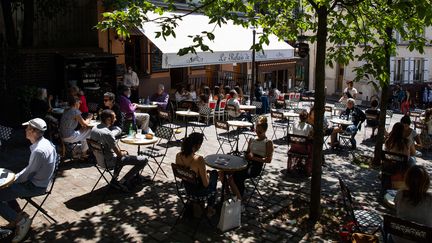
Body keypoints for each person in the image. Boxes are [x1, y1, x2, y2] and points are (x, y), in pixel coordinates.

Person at [0, 118, 57, 242]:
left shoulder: (38, 150)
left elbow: (27, 174)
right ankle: (17, 216)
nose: (25, 130)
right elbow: (29, 170)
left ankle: (21, 221)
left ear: (32, 131)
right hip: (39, 181)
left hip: (35, 186)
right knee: (5, 188)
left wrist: (11, 179)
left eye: (27, 128)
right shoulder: (44, 143)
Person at [90, 109, 148, 191]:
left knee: (121, 158)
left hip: (99, 160)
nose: (116, 119)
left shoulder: (94, 128)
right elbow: (119, 155)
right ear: (108, 119)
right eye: (114, 117)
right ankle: (124, 181)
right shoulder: (107, 133)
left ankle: (114, 180)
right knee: (144, 160)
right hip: (109, 162)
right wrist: (124, 152)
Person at [175, 133, 218, 216]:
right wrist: (207, 176)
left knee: (211, 174)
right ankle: (210, 208)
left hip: (187, 189)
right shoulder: (199, 159)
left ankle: (203, 207)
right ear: (198, 145)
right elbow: (206, 184)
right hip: (198, 192)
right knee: (214, 174)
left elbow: (183, 173)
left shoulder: (178, 156)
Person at [231, 116, 273, 200]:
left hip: (256, 167)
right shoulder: (252, 139)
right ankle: (236, 194)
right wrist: (247, 155)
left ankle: (239, 198)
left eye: (260, 132)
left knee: (237, 176)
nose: (257, 133)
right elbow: (248, 152)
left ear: (265, 131)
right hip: (247, 162)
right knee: (228, 172)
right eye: (256, 131)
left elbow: (268, 160)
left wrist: (253, 158)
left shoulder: (268, 142)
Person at [392, 165, 432, 243]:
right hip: (423, 239)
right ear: (426, 182)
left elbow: (396, 209)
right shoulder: (430, 199)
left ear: (407, 180)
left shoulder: (400, 194)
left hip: (399, 239)